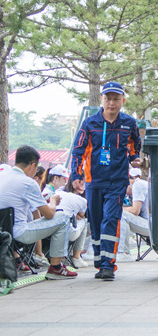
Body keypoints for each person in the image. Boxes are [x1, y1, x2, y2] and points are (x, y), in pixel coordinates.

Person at [71, 82, 141, 281]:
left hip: (118, 181)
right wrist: (76, 177)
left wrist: (134, 156)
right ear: (102, 100)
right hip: (94, 181)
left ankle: (108, 265)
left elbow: (135, 142)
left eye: (116, 99)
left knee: (111, 219)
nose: (112, 103)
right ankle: (101, 261)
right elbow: (78, 151)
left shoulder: (129, 123)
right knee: (96, 221)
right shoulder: (90, 123)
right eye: (108, 98)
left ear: (122, 101)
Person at [0, 145, 77, 279]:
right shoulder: (28, 182)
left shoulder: (2, 176)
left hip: (2, 232)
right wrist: (53, 201)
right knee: (63, 217)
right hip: (18, 234)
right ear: (32, 165)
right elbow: (49, 214)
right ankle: (56, 267)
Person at [55, 175, 89, 268]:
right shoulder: (82, 200)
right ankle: (76, 257)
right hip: (66, 230)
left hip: (51, 227)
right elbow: (83, 215)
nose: (82, 184)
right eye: (81, 182)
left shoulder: (58, 192)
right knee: (84, 222)